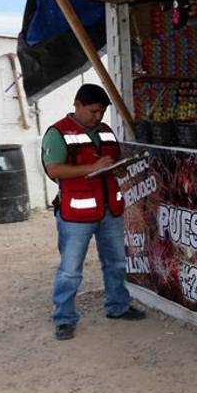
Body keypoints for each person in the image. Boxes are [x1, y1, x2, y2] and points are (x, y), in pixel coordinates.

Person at [42, 83, 145, 341]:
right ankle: (64, 319)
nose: (97, 117)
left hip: (110, 210)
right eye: (93, 111)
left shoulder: (107, 132)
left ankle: (117, 307)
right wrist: (92, 166)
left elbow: (112, 163)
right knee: (70, 270)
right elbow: (54, 170)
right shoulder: (58, 133)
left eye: (101, 112)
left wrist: (119, 168)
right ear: (77, 105)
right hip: (76, 214)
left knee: (117, 263)